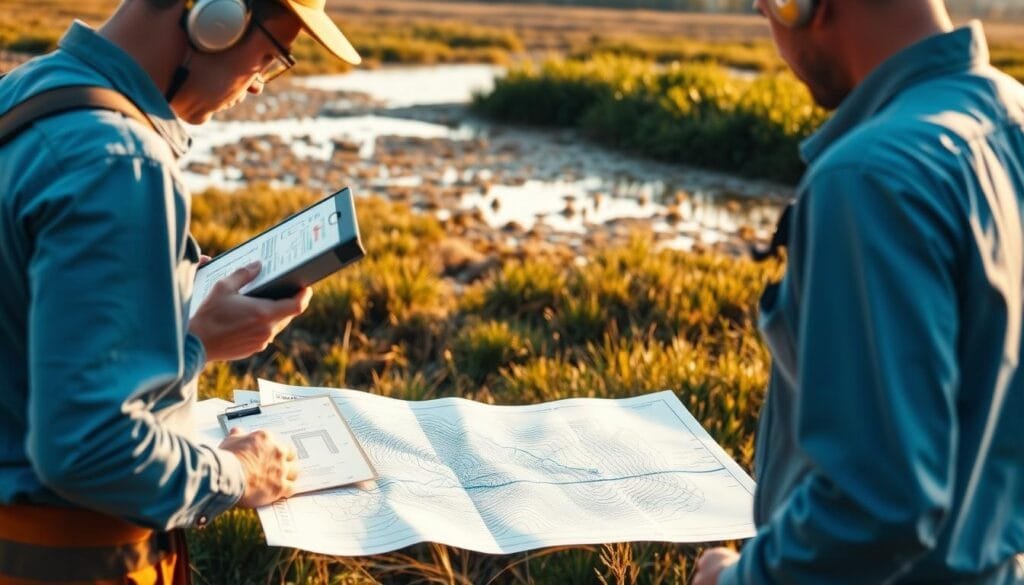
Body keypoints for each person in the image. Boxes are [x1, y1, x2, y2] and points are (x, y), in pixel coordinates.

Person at [0, 0, 360, 582]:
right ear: (216, 20)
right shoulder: (118, 163)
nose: (260, 86)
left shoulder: (26, 92)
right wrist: (240, 474)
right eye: (269, 56)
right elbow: (90, 449)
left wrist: (180, 331)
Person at [692, 0, 1024, 583]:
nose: (766, 23)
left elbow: (878, 505)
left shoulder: (869, 177)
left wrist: (737, 581)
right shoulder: (1013, 115)